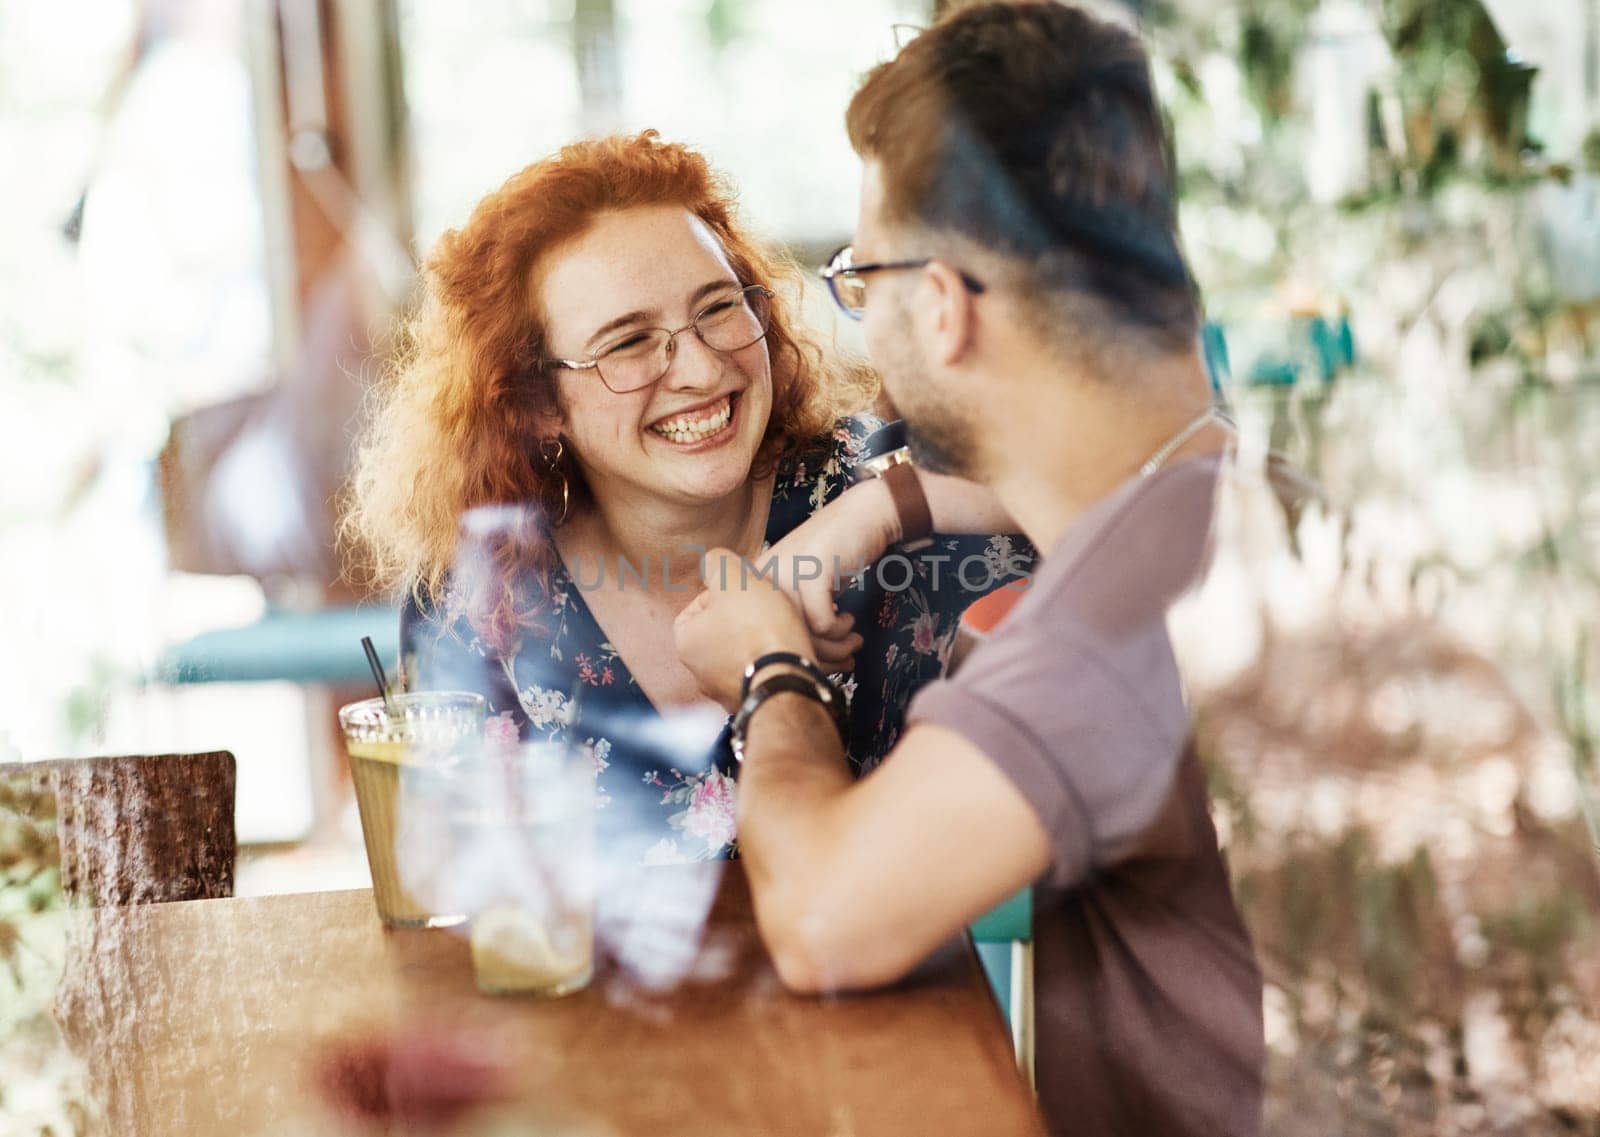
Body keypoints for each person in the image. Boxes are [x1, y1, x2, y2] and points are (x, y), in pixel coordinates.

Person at [672, 5, 1265, 1136]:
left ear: (941, 307)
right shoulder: (1224, 499)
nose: (860, 320)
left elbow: (825, 921)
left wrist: (769, 671)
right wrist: (889, 501)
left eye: (861, 279)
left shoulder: (1109, 622)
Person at [343, 132, 1029, 866]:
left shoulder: (861, 482)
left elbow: (1120, 472)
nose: (702, 369)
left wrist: (875, 512)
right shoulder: (480, 595)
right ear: (536, 401)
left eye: (718, 307)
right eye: (629, 342)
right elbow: (454, 883)